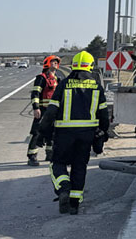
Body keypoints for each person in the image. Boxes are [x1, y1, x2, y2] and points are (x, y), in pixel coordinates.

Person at [38, 50, 109, 215]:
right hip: (86, 135)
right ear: (90, 67)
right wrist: (103, 133)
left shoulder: (63, 85)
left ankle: (64, 189)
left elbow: (51, 112)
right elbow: (104, 115)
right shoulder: (97, 87)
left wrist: (42, 132)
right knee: (79, 166)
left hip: (64, 134)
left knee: (58, 163)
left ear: (73, 66)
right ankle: (74, 204)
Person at [27, 55, 61, 166]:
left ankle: (50, 154)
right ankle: (32, 156)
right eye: (53, 62)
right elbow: (35, 93)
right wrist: (36, 108)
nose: (55, 64)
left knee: (52, 133)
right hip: (42, 110)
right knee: (37, 133)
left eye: (56, 62)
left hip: (53, 111)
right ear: (47, 63)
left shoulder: (57, 79)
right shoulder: (41, 78)